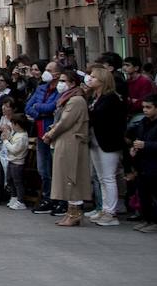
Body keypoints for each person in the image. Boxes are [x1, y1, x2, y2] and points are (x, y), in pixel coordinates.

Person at [42, 69, 91, 227]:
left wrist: (50, 134)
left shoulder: (76, 100)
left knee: (72, 177)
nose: (60, 84)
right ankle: (70, 211)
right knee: (65, 177)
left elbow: (66, 122)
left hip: (72, 142)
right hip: (65, 141)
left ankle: (75, 212)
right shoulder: (67, 99)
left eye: (64, 81)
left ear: (72, 83)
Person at [128, 95, 157, 232]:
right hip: (144, 164)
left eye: (148, 107)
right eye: (143, 107)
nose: (145, 110)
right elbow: (139, 138)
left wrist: (146, 145)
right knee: (145, 195)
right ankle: (147, 219)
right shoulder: (144, 122)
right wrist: (135, 148)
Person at [84, 65, 124, 226]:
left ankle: (110, 212)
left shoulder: (111, 98)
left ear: (102, 80)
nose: (90, 79)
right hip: (95, 141)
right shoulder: (95, 97)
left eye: (93, 77)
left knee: (108, 177)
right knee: (100, 177)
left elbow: (102, 118)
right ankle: (104, 208)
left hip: (108, 141)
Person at [25, 67, 61, 213]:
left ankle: (58, 199)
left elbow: (53, 107)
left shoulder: (60, 90)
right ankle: (47, 197)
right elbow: (28, 107)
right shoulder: (40, 88)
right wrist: (40, 113)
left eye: (49, 69)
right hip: (40, 131)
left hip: (53, 132)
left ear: (57, 74)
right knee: (43, 169)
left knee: (55, 168)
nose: (45, 72)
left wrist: (39, 107)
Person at [2, 114, 31, 210]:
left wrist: (6, 141)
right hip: (12, 161)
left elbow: (14, 150)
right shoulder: (17, 134)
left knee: (18, 182)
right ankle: (14, 197)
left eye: (13, 124)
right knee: (10, 180)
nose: (12, 126)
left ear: (18, 125)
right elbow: (12, 141)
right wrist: (8, 136)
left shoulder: (22, 137)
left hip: (18, 163)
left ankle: (21, 201)